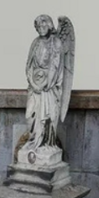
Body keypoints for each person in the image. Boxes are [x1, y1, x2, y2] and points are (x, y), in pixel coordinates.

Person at [23, 15, 65, 153]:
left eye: (43, 25)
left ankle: (45, 144)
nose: (40, 28)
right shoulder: (35, 43)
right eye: (38, 26)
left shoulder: (56, 43)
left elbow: (56, 67)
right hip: (34, 86)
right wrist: (33, 83)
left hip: (49, 88)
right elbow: (29, 65)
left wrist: (46, 84)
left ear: (49, 25)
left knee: (47, 118)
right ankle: (33, 141)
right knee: (29, 116)